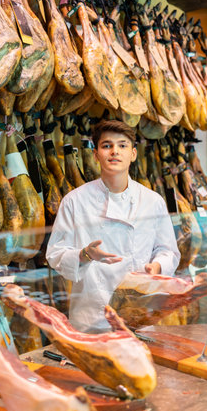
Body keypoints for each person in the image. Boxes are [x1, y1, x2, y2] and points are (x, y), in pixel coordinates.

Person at [46, 120, 180, 333]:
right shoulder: (74, 201)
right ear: (96, 154)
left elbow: (167, 250)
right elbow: (55, 254)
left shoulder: (153, 201)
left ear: (133, 154)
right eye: (107, 145)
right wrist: (84, 255)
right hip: (92, 320)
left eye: (122, 145)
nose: (114, 151)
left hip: (141, 316)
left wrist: (157, 267)